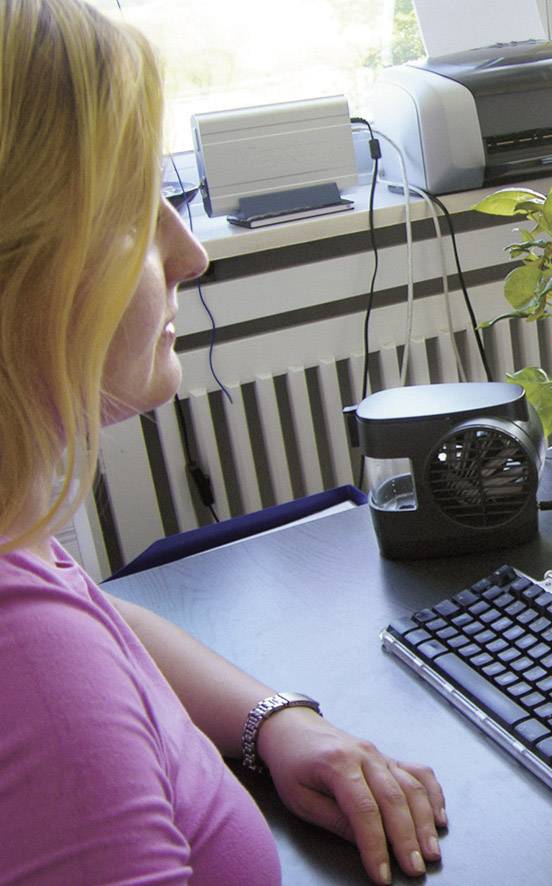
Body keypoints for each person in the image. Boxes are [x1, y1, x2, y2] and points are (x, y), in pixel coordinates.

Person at [0, 2, 445, 883]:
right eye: (132, 206)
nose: (189, 253)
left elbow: (86, 612)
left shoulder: (21, 561)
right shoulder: (31, 672)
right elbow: (49, 663)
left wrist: (275, 720)